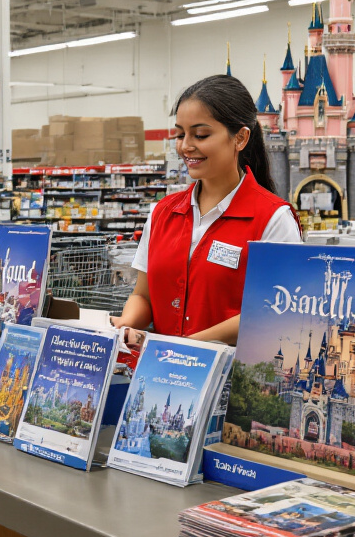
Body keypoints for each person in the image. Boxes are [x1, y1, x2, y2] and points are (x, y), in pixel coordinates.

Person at [113, 74, 301, 346]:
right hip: (160, 374)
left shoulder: (273, 219)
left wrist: (183, 346)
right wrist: (125, 323)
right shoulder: (163, 212)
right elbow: (143, 296)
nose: (186, 146)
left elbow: (272, 310)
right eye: (180, 134)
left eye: (200, 135)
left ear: (240, 138)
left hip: (230, 381)